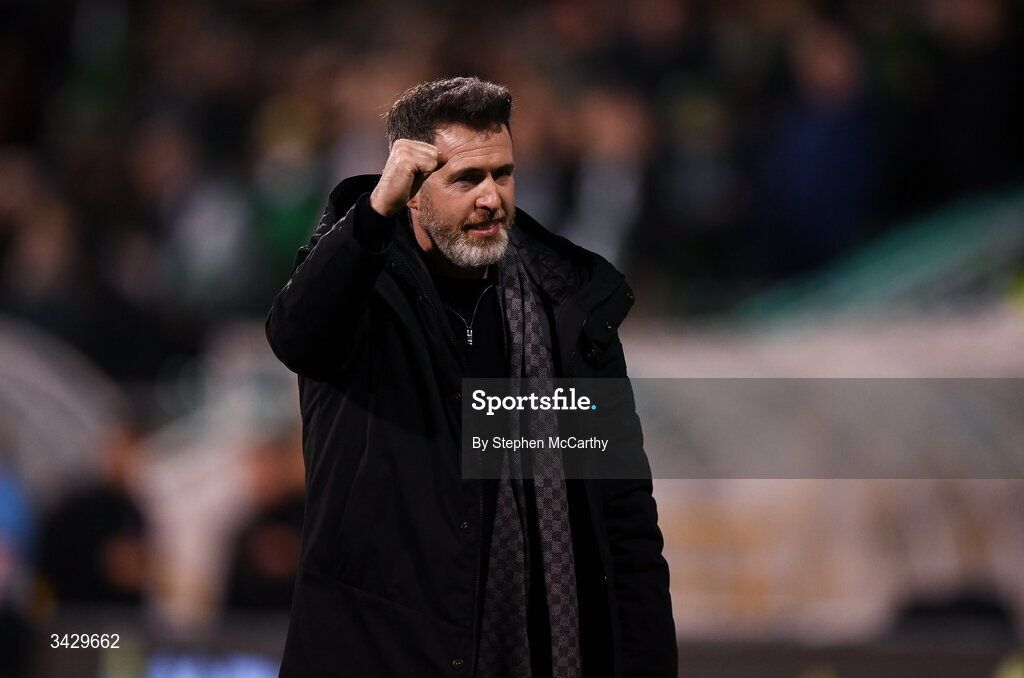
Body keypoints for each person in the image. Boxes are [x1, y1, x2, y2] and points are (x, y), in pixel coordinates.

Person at [266, 77, 676, 678]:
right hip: (373, 655)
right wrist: (372, 215)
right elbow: (297, 337)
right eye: (466, 179)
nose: (491, 198)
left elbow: (624, 519)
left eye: (502, 174)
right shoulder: (359, 287)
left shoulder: (566, 310)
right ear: (410, 192)